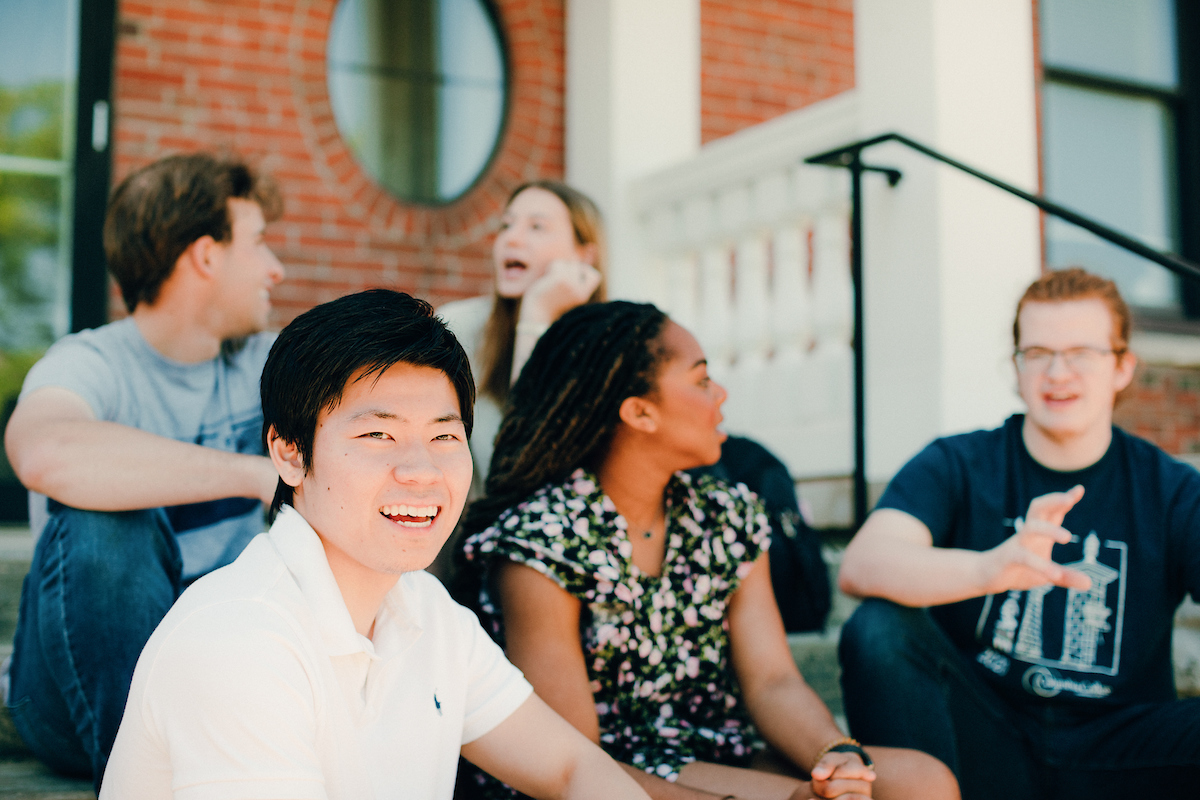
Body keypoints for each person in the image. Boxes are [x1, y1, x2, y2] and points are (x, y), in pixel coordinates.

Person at [101, 289, 653, 800]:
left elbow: (571, 769)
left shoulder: (428, 613)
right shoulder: (240, 639)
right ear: (289, 452)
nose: (422, 471)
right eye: (378, 435)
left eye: (444, 436)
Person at [458, 301, 958, 800]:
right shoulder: (542, 541)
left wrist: (834, 757)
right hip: (604, 774)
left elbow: (772, 682)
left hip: (713, 751)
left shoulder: (726, 515)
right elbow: (571, 760)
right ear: (639, 412)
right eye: (700, 381)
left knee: (923, 782)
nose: (720, 394)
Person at [836, 268, 1200, 799]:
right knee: (878, 628)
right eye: (1037, 353)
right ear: (1015, 368)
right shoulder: (959, 463)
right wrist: (989, 569)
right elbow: (862, 563)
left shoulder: (1170, 490)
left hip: (1121, 747)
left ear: (1122, 367)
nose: (1058, 372)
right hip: (985, 737)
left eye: (1081, 353)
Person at [3, 153, 285, 787]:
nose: (277, 269)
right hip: (71, 694)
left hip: (210, 676)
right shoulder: (90, 362)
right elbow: (46, 451)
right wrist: (254, 475)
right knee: (104, 521)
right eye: (260, 243)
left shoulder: (266, 365)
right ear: (206, 256)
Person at [438, 180, 605, 487]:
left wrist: (537, 316)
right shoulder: (458, 328)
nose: (511, 239)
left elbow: (535, 467)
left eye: (537, 227)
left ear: (585, 255)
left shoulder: (607, 347)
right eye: (506, 225)